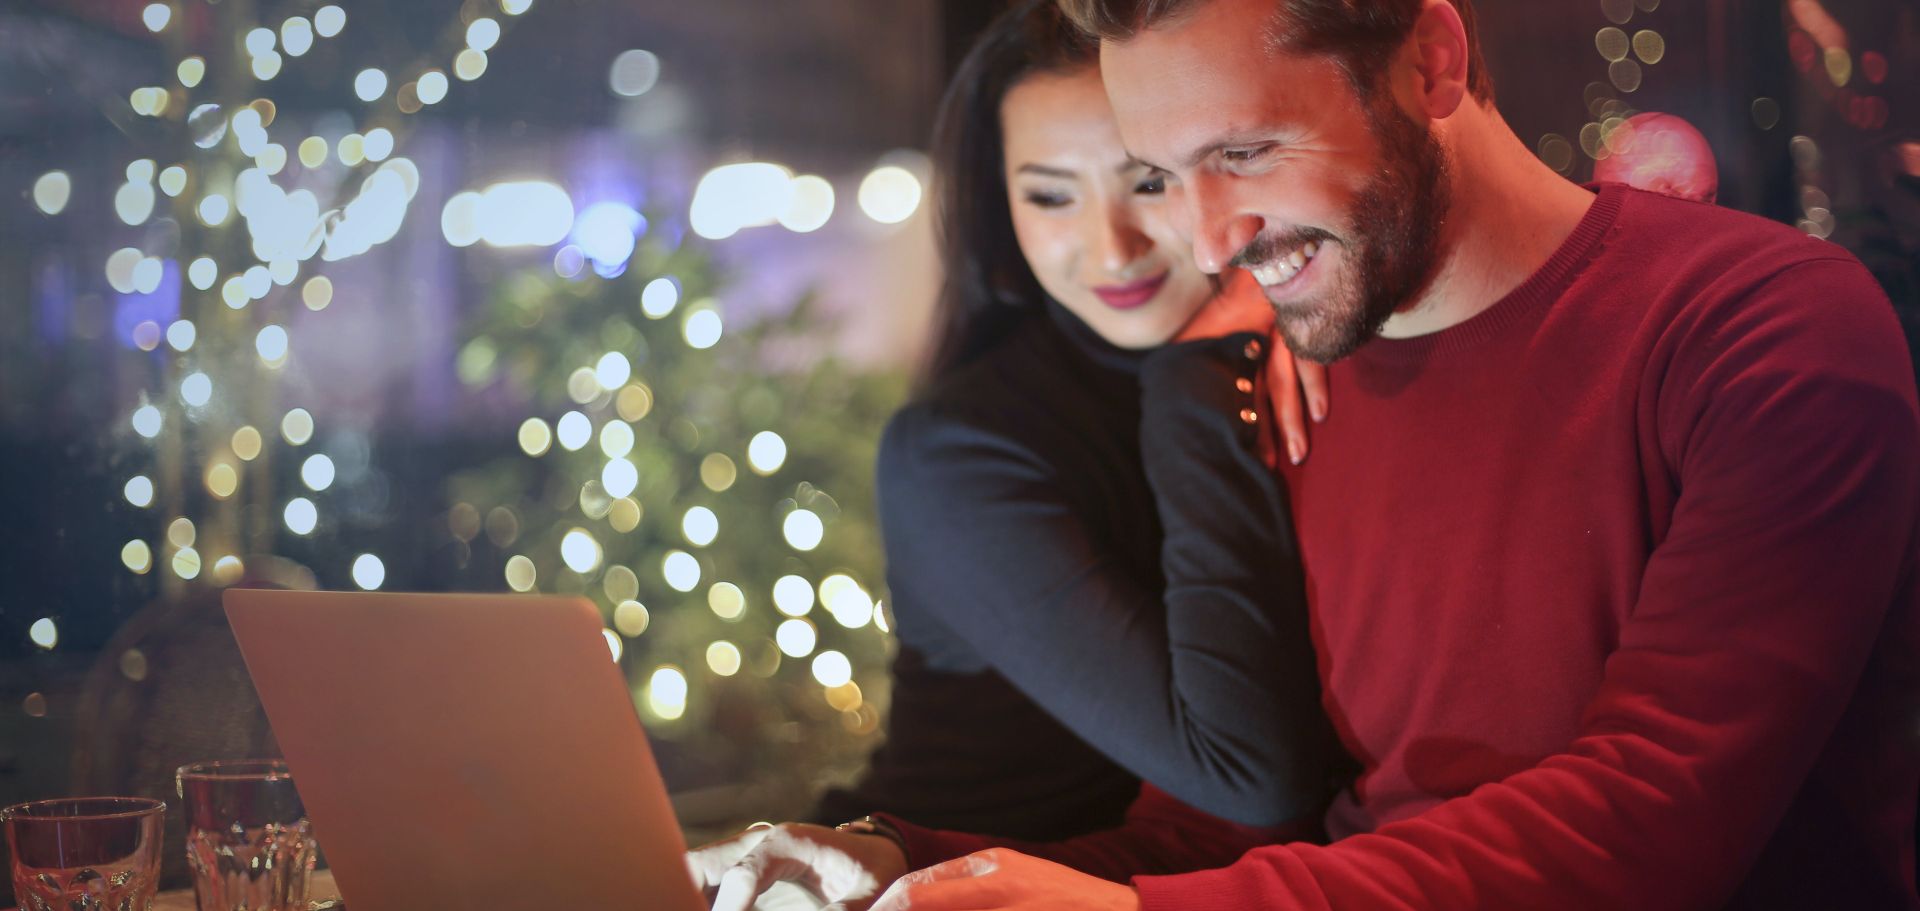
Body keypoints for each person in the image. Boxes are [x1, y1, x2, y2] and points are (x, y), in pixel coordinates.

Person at [701, 0, 1920, 908]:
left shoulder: (1761, 327)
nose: (1208, 238)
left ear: (1433, 62)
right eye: (1165, 175)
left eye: (1242, 153)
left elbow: (1660, 813)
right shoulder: (1288, 377)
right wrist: (901, 867)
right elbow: (1224, 834)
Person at [686, 2, 1349, 908]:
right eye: (1049, 194)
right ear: (1002, 207)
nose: (1110, 246)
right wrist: (1208, 361)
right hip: (919, 887)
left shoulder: (1291, 355)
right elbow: (1245, 773)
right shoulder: (959, 454)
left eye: (1146, 182)